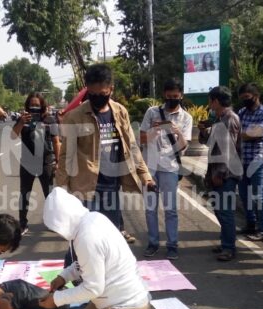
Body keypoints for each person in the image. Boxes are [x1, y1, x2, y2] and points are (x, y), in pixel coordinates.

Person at [40, 188, 175, 309]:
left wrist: (56, 300)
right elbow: (86, 264)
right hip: (107, 302)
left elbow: (93, 288)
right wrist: (63, 277)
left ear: (62, 220)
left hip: (125, 307)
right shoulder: (90, 220)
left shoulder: (87, 237)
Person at [57, 63, 155, 249]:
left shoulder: (120, 112)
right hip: (86, 186)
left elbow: (131, 147)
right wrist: (60, 187)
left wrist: (146, 177)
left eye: (102, 94)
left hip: (112, 184)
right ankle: (76, 271)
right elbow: (65, 156)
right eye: (92, 95)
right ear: (87, 91)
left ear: (111, 89)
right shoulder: (75, 117)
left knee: (111, 235)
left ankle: (107, 273)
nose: (97, 99)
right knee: (85, 237)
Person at [140, 78, 192, 260]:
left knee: (170, 209)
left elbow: (183, 146)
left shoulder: (186, 118)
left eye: (176, 96)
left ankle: (172, 245)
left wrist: (177, 132)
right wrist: (154, 130)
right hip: (150, 168)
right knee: (150, 209)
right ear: (164, 95)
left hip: (170, 168)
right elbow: (142, 139)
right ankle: (153, 243)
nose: (172, 99)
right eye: (169, 96)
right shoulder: (152, 112)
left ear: (181, 96)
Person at [200, 86, 243, 261]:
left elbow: (229, 150)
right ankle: (226, 242)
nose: (209, 104)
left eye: (210, 100)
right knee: (219, 210)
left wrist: (220, 174)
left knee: (225, 211)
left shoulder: (230, 119)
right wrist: (203, 131)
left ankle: (229, 247)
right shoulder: (219, 119)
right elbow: (211, 142)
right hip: (216, 171)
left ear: (216, 101)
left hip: (225, 173)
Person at [11, 92, 61, 235]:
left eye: (37, 105)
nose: (34, 108)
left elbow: (56, 141)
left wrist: (57, 161)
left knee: (50, 195)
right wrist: (21, 122)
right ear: (27, 105)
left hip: (46, 162)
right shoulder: (23, 120)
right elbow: (13, 136)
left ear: (42, 106)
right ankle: (22, 223)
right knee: (24, 194)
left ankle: (54, 222)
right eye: (32, 105)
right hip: (27, 163)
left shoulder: (50, 120)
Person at [237, 83, 263, 241]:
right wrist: (246, 134)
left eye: (247, 97)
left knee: (259, 195)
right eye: (243, 98)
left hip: (257, 159)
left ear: (256, 96)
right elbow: (237, 132)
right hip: (241, 159)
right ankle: (250, 223)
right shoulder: (241, 112)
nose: (245, 101)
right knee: (244, 195)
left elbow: (259, 132)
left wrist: (243, 134)